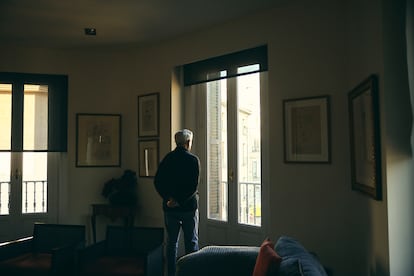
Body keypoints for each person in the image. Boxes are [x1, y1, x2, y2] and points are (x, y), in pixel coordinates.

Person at [154, 129, 200, 276]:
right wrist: (180, 201)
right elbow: (193, 186)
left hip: (170, 209)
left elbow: (157, 181)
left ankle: (171, 273)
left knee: (171, 244)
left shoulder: (167, 159)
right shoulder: (193, 160)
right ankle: (190, 272)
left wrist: (169, 199)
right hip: (188, 208)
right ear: (188, 142)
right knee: (191, 242)